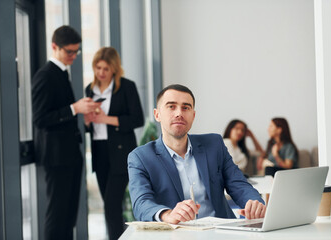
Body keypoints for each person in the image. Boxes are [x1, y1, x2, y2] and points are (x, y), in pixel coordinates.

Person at [128, 84, 266, 224]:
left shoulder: (214, 144)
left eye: (186, 107)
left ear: (193, 115)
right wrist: (167, 214)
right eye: (171, 106)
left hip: (221, 231)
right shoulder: (141, 157)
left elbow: (238, 183)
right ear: (157, 114)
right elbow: (141, 203)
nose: (179, 113)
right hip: (177, 234)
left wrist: (254, 203)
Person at [32, 25, 101, 240]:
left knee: (68, 215)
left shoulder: (61, 74)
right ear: (54, 47)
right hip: (57, 157)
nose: (73, 56)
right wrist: (74, 108)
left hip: (69, 154)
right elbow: (40, 119)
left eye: (76, 51)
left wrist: (81, 109)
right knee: (58, 214)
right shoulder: (45, 75)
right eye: (69, 52)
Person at [84, 47, 144, 240]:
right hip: (100, 151)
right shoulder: (89, 89)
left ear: (115, 69)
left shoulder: (126, 87)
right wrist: (87, 121)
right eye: (98, 68)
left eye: (106, 69)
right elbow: (90, 126)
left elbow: (137, 119)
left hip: (121, 153)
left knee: (111, 205)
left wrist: (107, 119)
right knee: (110, 207)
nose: (101, 73)